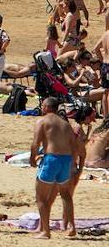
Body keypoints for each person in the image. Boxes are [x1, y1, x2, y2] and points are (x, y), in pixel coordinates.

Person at [30, 96, 84, 239]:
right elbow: (74, 146)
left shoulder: (42, 121)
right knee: (66, 195)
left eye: (43, 106)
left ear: (47, 107)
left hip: (51, 159)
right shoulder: (65, 124)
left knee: (41, 197)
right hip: (66, 160)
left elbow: (36, 142)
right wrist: (74, 163)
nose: (41, 108)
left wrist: (32, 158)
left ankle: (45, 231)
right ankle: (72, 226)